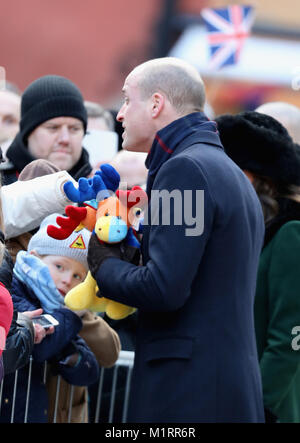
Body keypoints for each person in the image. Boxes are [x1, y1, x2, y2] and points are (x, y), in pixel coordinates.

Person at [86, 57, 265, 422]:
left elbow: (162, 287)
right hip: (213, 387)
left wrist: (104, 264)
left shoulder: (185, 168)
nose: (119, 114)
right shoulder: (216, 166)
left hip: (188, 393)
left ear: (155, 104)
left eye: (126, 100)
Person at [216, 111, 300, 423]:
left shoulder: (289, 232)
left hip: (266, 406)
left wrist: (258, 406)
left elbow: (289, 337)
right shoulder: (235, 226)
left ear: (250, 175)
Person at [0, 215, 102, 423]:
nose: (67, 280)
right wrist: (71, 316)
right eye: (59, 267)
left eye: (77, 277)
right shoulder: (15, 289)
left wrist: (69, 354)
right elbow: (40, 347)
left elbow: (89, 370)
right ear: (35, 257)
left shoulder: (57, 309)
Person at [3, 75, 92, 185]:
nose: (65, 139)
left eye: (74, 128)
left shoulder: (100, 190)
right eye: (53, 128)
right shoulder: (3, 189)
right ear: (27, 133)